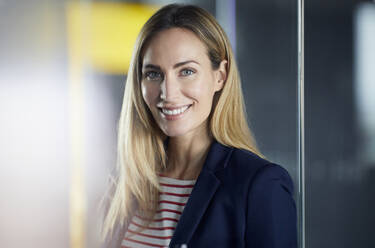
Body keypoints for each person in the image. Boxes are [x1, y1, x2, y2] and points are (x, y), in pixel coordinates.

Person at [101, 3, 297, 248]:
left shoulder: (259, 186)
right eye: (153, 74)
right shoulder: (125, 184)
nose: (168, 93)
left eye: (186, 71)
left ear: (220, 76)